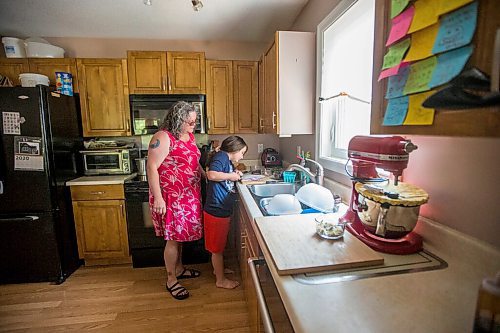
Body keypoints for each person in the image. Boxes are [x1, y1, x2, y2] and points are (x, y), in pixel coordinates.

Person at [147, 101, 204, 300]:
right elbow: (151, 167)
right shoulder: (163, 137)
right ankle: (171, 279)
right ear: (178, 119)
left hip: (189, 196)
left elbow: (194, 163)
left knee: (180, 237)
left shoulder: (189, 136)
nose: (193, 125)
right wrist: (159, 199)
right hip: (171, 197)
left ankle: (179, 269)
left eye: (195, 122)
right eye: (190, 122)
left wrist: (208, 176)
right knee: (173, 238)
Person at [204, 136, 247, 289]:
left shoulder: (225, 159)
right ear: (234, 149)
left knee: (219, 246)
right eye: (242, 152)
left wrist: (232, 172)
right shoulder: (221, 156)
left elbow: (220, 174)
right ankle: (220, 280)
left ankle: (219, 270)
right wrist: (231, 176)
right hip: (216, 210)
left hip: (220, 209)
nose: (242, 156)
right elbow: (212, 175)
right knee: (216, 249)